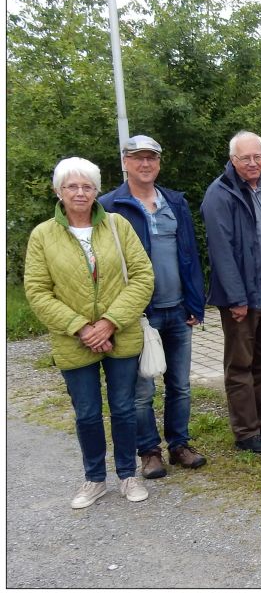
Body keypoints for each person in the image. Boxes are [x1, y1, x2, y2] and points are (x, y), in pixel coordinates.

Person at [24, 157, 154, 508]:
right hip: (73, 339)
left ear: (97, 191)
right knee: (87, 412)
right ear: (59, 191)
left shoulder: (117, 225)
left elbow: (142, 276)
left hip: (120, 332)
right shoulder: (42, 235)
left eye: (87, 186)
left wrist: (109, 322)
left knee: (124, 407)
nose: (80, 192)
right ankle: (94, 479)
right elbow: (37, 290)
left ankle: (127, 475)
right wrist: (81, 328)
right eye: (72, 186)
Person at [99, 135, 207, 480]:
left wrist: (195, 302)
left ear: (159, 163)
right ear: (125, 162)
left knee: (180, 385)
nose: (145, 164)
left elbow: (189, 254)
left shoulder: (174, 202)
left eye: (151, 158)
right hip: (137, 314)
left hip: (178, 308)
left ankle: (179, 445)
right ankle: (149, 452)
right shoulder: (110, 205)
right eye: (138, 158)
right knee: (142, 389)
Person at [201, 131, 261, 454]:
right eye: (245, 158)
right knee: (241, 363)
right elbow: (221, 251)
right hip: (242, 293)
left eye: (258, 156)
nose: (253, 163)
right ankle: (245, 432)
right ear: (233, 160)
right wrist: (236, 298)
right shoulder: (220, 194)